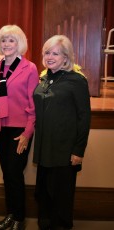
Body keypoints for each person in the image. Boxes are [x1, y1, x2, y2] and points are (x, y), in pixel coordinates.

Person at [33, 35, 91, 230]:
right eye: (47, 53)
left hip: (65, 151)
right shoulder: (44, 78)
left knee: (61, 198)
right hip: (44, 149)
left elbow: (84, 117)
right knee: (44, 195)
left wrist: (78, 150)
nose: (50, 57)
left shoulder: (77, 80)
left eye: (55, 53)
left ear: (66, 57)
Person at [0, 25, 39, 230]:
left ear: (20, 43)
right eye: (4, 40)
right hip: (0, 127)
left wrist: (27, 132)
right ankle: (10, 215)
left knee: (15, 173)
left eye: (12, 40)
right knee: (7, 174)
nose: (7, 44)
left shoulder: (30, 68)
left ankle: (19, 218)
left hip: (20, 128)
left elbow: (33, 104)